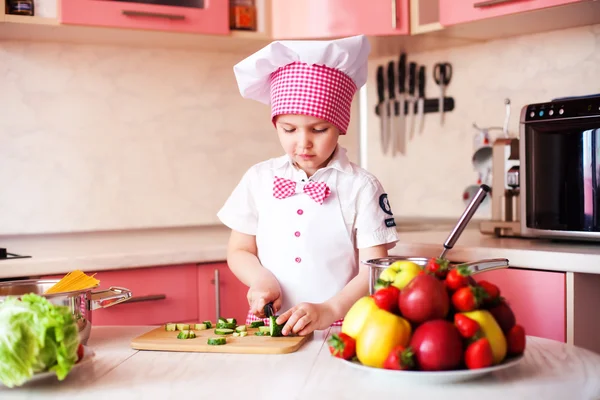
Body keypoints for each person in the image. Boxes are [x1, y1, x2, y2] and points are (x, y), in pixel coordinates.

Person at [217, 34, 399, 337]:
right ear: (275, 124)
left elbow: (375, 268)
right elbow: (239, 250)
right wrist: (260, 279)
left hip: (342, 327)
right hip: (268, 326)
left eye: (318, 129)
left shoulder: (361, 187)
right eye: (289, 129)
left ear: (340, 125)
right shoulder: (259, 179)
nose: (303, 143)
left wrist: (330, 309)